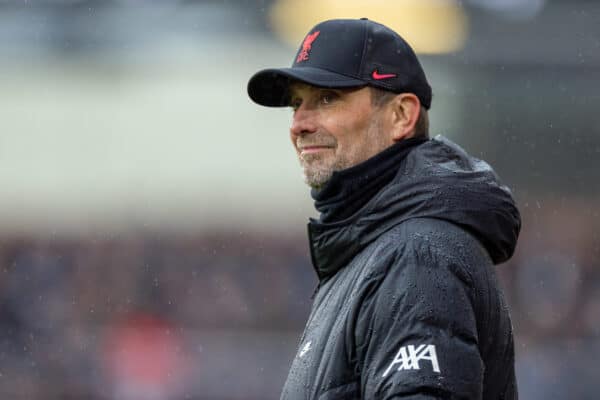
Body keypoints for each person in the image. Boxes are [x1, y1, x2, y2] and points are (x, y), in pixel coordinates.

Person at [247, 18, 521, 400]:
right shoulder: (373, 250)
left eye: (327, 98)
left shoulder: (418, 256)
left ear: (401, 116)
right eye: (297, 103)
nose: (299, 124)